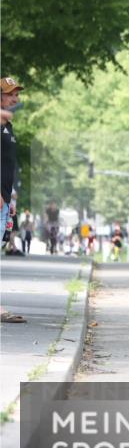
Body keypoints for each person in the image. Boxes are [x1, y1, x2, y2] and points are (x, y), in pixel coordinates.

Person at [1, 76, 26, 323]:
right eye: (9, 94)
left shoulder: (7, 125)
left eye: (16, 94)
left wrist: (10, 197)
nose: (15, 99)